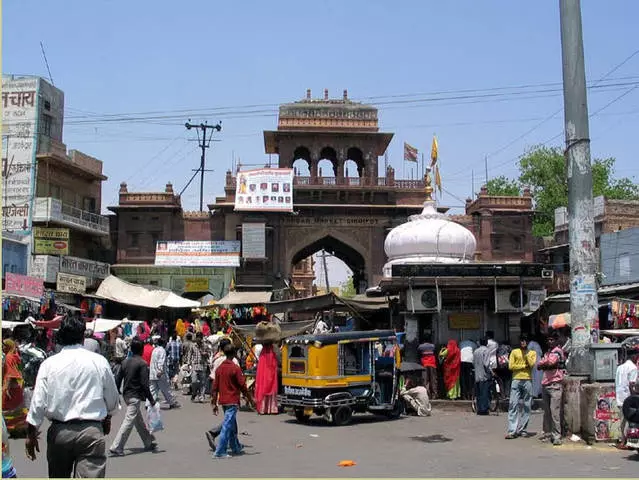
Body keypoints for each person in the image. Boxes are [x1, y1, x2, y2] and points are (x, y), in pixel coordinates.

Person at [25, 316, 119, 478]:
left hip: (60, 433)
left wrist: (31, 434)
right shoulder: (99, 362)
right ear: (83, 336)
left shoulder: (49, 364)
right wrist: (108, 417)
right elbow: (112, 399)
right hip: (91, 433)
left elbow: (38, 403)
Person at [110, 338, 158, 457]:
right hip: (135, 396)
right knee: (129, 421)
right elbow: (144, 384)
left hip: (126, 395)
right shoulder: (142, 364)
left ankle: (148, 441)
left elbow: (117, 379)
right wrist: (151, 399)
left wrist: (117, 394)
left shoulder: (125, 362)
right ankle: (117, 446)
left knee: (138, 421)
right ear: (141, 350)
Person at [211, 344, 256, 459]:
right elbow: (243, 386)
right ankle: (220, 451)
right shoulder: (235, 368)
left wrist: (214, 403)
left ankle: (235, 446)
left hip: (224, 401)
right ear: (234, 354)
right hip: (232, 401)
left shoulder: (220, 368)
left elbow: (215, 388)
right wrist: (251, 400)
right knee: (227, 426)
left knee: (230, 425)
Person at [205, 338, 240, 451]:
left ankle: (235, 445)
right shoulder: (233, 362)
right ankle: (215, 435)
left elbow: (213, 379)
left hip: (221, 395)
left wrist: (213, 400)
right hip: (232, 395)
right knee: (229, 421)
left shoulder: (217, 359)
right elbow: (241, 382)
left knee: (231, 420)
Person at [505, 334, 537, 439]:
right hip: (516, 379)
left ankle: (523, 429)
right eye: (522, 340)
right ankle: (512, 430)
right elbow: (511, 366)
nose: (523, 342)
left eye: (525, 341)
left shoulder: (532, 353)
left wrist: (526, 354)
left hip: (527, 379)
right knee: (513, 404)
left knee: (527, 405)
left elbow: (532, 365)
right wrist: (523, 366)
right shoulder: (514, 352)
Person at [537, 333, 566, 446]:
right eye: (548, 340)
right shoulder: (547, 352)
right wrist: (544, 365)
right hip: (546, 384)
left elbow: (550, 364)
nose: (550, 341)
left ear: (556, 341)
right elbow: (540, 365)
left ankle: (557, 436)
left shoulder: (557, 351)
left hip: (555, 385)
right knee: (547, 412)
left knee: (555, 412)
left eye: (552, 340)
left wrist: (544, 365)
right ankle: (547, 433)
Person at [2, 340, 27, 437]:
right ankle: (18, 429)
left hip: (11, 387)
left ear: (8, 346)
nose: (3, 347)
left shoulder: (8, 357)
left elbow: (10, 374)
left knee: (7, 408)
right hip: (17, 386)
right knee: (17, 409)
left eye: (4, 346)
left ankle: (12, 429)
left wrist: (6, 389)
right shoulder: (15, 356)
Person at [615, 351, 638, 449]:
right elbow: (631, 384)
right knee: (630, 420)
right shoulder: (633, 368)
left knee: (622, 420)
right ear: (633, 357)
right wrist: (635, 398)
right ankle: (627, 442)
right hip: (629, 399)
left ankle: (623, 440)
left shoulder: (619, 367)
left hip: (620, 396)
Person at [149, 338, 181, 409]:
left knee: (153, 389)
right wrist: (160, 371)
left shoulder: (154, 350)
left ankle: (148, 403)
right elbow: (161, 361)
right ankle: (172, 402)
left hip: (153, 373)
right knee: (166, 389)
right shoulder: (162, 351)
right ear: (164, 344)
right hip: (160, 374)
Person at [255, 341, 279, 415]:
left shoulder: (263, 354)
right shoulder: (272, 352)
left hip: (264, 376)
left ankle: (263, 409)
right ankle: (271, 408)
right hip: (271, 375)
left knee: (263, 388)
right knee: (271, 389)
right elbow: (275, 364)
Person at [186, 332, 208, 402]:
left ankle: (201, 396)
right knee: (194, 381)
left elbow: (209, 354)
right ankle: (194, 393)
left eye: (200, 337)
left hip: (202, 365)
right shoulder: (193, 345)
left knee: (203, 382)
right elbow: (189, 354)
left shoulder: (205, 345)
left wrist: (205, 354)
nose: (198, 339)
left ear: (201, 338)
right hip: (195, 365)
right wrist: (188, 363)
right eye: (197, 337)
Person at [473, 338, 492, 415]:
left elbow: (473, 363)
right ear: (486, 343)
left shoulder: (476, 351)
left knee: (479, 393)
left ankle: (479, 409)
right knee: (484, 392)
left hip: (477, 375)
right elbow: (486, 364)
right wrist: (490, 372)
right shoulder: (486, 351)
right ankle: (484, 409)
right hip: (484, 375)